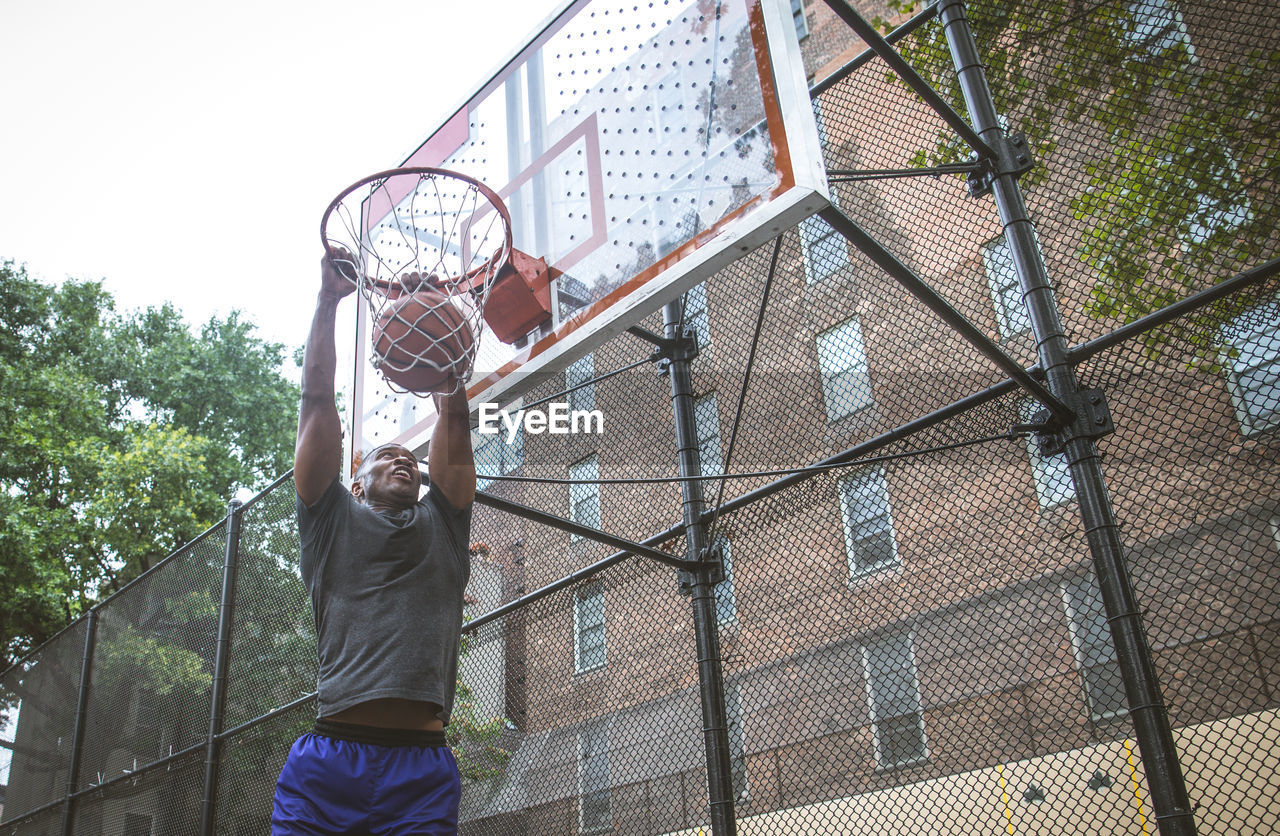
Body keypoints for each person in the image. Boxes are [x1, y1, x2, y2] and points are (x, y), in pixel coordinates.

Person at [272, 248, 476, 835]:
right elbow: (315, 403)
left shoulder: (444, 523)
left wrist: (435, 330)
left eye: (411, 459)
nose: (403, 462)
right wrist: (329, 302)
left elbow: (455, 425)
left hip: (422, 771)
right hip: (329, 760)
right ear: (354, 483)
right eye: (387, 456)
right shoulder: (331, 519)